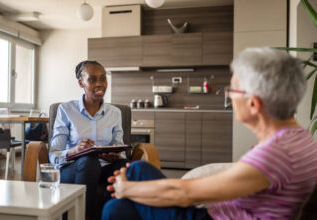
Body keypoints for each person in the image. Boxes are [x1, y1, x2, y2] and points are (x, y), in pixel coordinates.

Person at [101, 47, 317, 220]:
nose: (229, 97)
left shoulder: (275, 154)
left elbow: (185, 194)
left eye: (232, 90)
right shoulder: (299, 137)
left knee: (116, 206)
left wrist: (125, 188)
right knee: (134, 174)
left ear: (253, 103)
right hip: (223, 211)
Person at [49, 60, 128, 220]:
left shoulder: (115, 113)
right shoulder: (66, 110)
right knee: (89, 161)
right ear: (81, 83)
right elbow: (54, 154)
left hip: (105, 167)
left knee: (127, 167)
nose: (100, 84)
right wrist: (75, 150)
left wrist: (116, 155)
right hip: (75, 168)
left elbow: (120, 147)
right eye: (92, 79)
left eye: (103, 79)